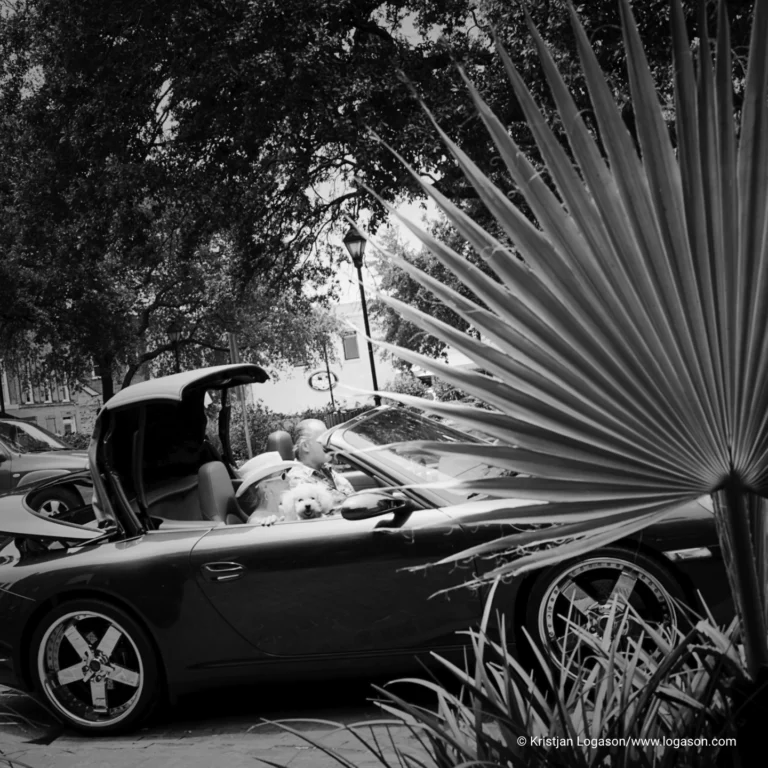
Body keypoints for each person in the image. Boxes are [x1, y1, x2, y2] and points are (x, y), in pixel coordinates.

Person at [286, 419, 354, 512]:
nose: (329, 444)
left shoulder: (324, 469)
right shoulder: (298, 481)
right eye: (323, 439)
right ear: (306, 446)